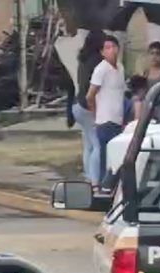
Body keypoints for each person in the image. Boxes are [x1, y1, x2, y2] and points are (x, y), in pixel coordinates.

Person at [87, 35, 127, 192]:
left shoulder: (120, 68)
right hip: (105, 120)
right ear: (102, 52)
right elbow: (90, 95)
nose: (112, 50)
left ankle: (113, 186)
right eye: (107, 48)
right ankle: (103, 186)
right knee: (106, 155)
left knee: (117, 155)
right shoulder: (101, 69)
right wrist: (96, 115)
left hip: (118, 119)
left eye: (114, 47)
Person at [71, 30, 105, 189]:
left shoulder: (82, 59)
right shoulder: (98, 62)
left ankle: (89, 177)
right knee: (97, 144)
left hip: (78, 105)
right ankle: (95, 181)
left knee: (88, 145)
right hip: (89, 106)